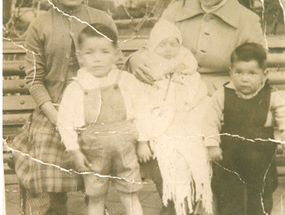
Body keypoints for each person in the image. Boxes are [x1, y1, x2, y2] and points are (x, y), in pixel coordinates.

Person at [11, 1, 117, 214]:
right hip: (54, 109)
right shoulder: (40, 25)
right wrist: (57, 117)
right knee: (48, 148)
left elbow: (114, 65)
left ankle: (94, 201)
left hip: (97, 108)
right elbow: (35, 79)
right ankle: (57, 204)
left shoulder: (102, 19)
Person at [57, 23, 148, 215]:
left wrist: (143, 142)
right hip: (93, 152)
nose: (97, 59)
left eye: (105, 52)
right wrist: (75, 152)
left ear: (116, 54)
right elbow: (64, 123)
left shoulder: (126, 81)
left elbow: (143, 112)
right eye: (90, 53)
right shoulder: (77, 88)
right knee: (95, 196)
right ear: (80, 56)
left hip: (126, 149)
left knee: (130, 194)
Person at [137, 19, 212, 215]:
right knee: (167, 157)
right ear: (153, 46)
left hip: (186, 122)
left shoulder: (188, 70)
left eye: (174, 44)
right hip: (160, 126)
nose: (169, 49)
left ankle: (192, 203)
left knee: (194, 153)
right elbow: (143, 105)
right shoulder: (149, 71)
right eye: (163, 44)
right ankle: (173, 202)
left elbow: (198, 95)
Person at [204, 43, 285, 215]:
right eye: (238, 72)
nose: (244, 79)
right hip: (230, 155)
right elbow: (210, 120)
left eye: (252, 73)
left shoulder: (271, 95)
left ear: (264, 74)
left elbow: (283, 116)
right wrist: (212, 145)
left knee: (261, 194)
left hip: (261, 156)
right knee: (229, 194)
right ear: (230, 72)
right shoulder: (222, 94)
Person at [128, 0, 266, 95]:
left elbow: (257, 69)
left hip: (220, 96)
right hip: (171, 91)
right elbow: (153, 45)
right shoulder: (175, 10)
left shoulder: (248, 20)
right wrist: (135, 59)